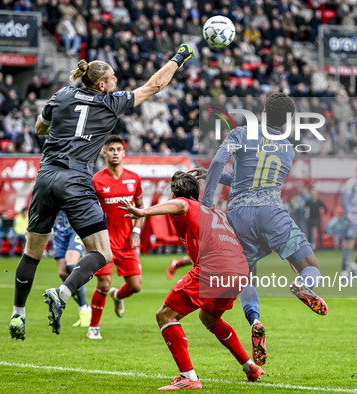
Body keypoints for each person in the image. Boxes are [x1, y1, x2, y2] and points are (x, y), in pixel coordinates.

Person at [9, 44, 195, 340]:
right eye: (113, 79)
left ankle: (18, 315)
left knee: (32, 253)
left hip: (45, 176)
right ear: (101, 84)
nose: (117, 82)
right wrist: (178, 58)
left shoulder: (61, 95)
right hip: (76, 179)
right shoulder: (111, 102)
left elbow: (39, 129)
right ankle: (63, 292)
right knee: (102, 252)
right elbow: (155, 85)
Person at [198, 93, 329, 368]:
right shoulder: (289, 149)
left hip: (238, 217)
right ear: (288, 119)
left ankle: (255, 319)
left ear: (264, 113)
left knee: (247, 277)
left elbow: (230, 170)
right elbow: (259, 180)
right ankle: (303, 285)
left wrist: (207, 202)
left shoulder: (241, 133)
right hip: (272, 213)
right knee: (311, 266)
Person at [119, 171, 264, 390]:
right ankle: (250, 367)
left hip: (215, 269)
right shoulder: (214, 213)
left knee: (165, 315)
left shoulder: (186, 205)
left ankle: (188, 377)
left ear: (176, 194)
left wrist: (142, 211)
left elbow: (181, 205)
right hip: (239, 270)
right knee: (209, 318)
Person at [87, 135, 145, 340]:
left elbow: (140, 209)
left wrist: (136, 232)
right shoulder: (96, 180)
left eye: (118, 149)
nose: (115, 153)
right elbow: (88, 211)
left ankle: (118, 295)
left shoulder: (134, 178)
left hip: (127, 239)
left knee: (135, 286)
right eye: (111, 149)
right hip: (104, 241)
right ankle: (94, 327)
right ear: (104, 152)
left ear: (123, 152)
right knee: (103, 283)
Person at [52, 211, 91, 327]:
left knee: (71, 265)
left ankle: (83, 308)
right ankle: (85, 306)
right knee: (63, 274)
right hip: (59, 231)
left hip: (76, 228)